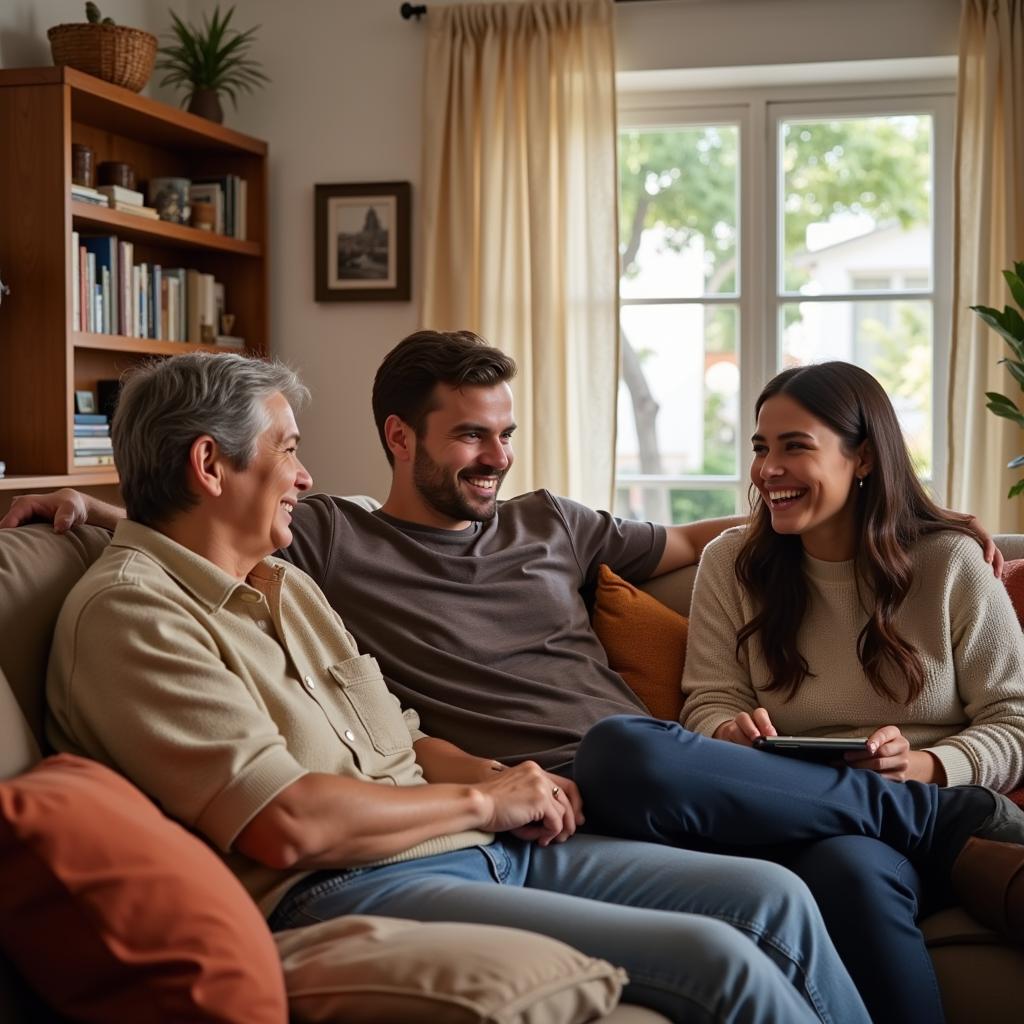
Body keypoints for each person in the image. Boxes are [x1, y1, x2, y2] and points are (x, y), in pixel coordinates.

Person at [8, 332, 1024, 1021]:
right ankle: (931, 821)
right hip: (435, 845)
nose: (496, 453)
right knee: (719, 860)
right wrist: (87, 511)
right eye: (288, 450)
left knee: (769, 894)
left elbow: (398, 734)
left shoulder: (310, 578)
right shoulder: (280, 560)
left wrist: (906, 512)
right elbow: (289, 823)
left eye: (504, 430)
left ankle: (917, 815)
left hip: (540, 811)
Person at [578, 363, 1024, 1024]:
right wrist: (727, 731)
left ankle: (917, 810)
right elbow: (709, 701)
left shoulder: (949, 561)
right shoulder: (734, 562)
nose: (767, 468)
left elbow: (1014, 720)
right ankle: (916, 819)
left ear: (863, 456)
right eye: (761, 447)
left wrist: (928, 768)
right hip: (795, 809)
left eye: (794, 446)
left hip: (931, 793)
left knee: (842, 865)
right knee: (619, 754)